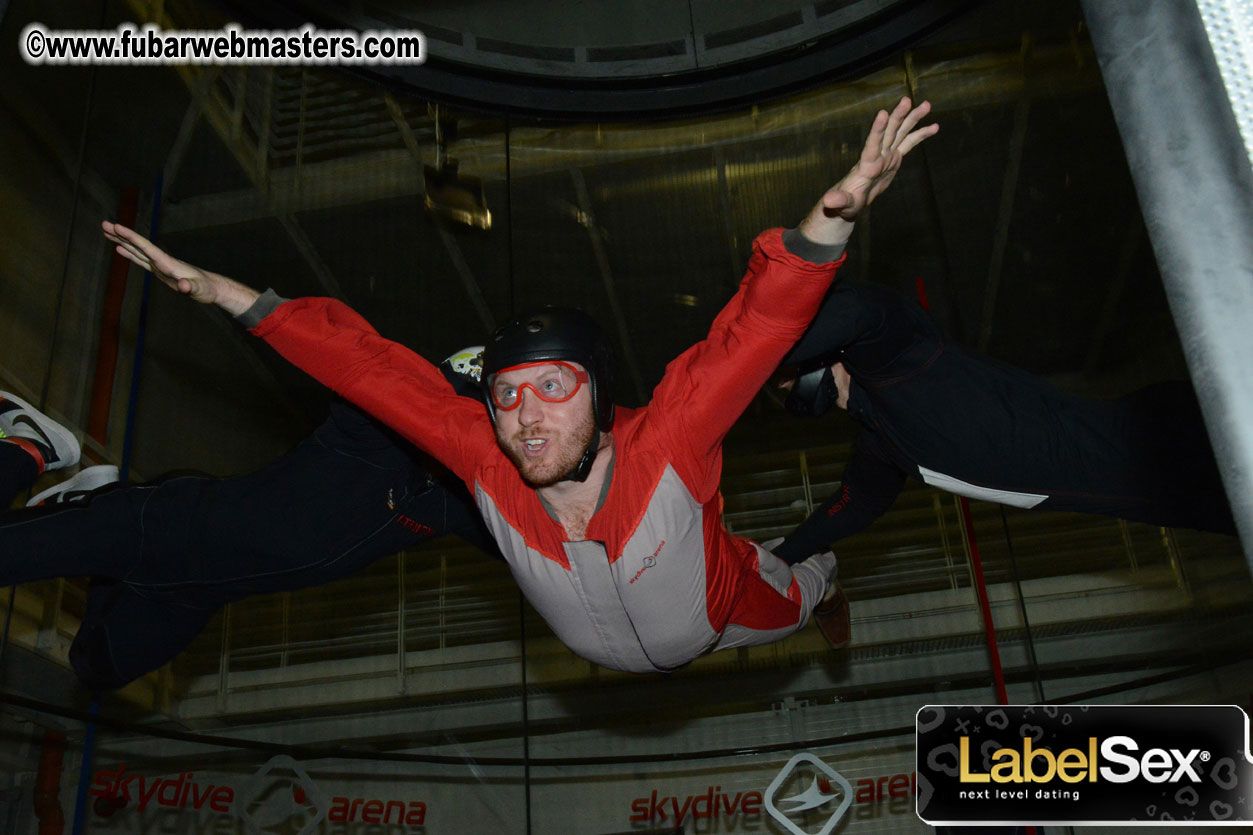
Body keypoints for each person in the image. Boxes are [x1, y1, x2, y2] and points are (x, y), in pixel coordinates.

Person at [103, 98, 939, 668]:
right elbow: (365, 365)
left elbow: (755, 326)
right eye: (504, 394)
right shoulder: (484, 456)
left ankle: (827, 583)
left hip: (724, 612)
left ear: (601, 397)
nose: (524, 416)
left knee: (797, 584)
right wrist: (226, 294)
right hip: (603, 650)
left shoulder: (671, 437)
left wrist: (835, 213)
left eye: (550, 387)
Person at [0, 351, 500, 692]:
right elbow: (374, 373)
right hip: (157, 528)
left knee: (96, 668)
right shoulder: (371, 433)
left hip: (192, 593)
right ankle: (32, 448)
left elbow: (539, 544)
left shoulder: (452, 505)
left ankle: (93, 500)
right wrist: (465, 385)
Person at [770, 279, 1238, 565]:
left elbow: (862, 310)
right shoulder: (882, 442)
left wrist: (757, 349)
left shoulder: (895, 360)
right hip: (1158, 495)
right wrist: (779, 559)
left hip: (1166, 443)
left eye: (787, 380)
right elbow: (851, 506)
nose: (789, 389)